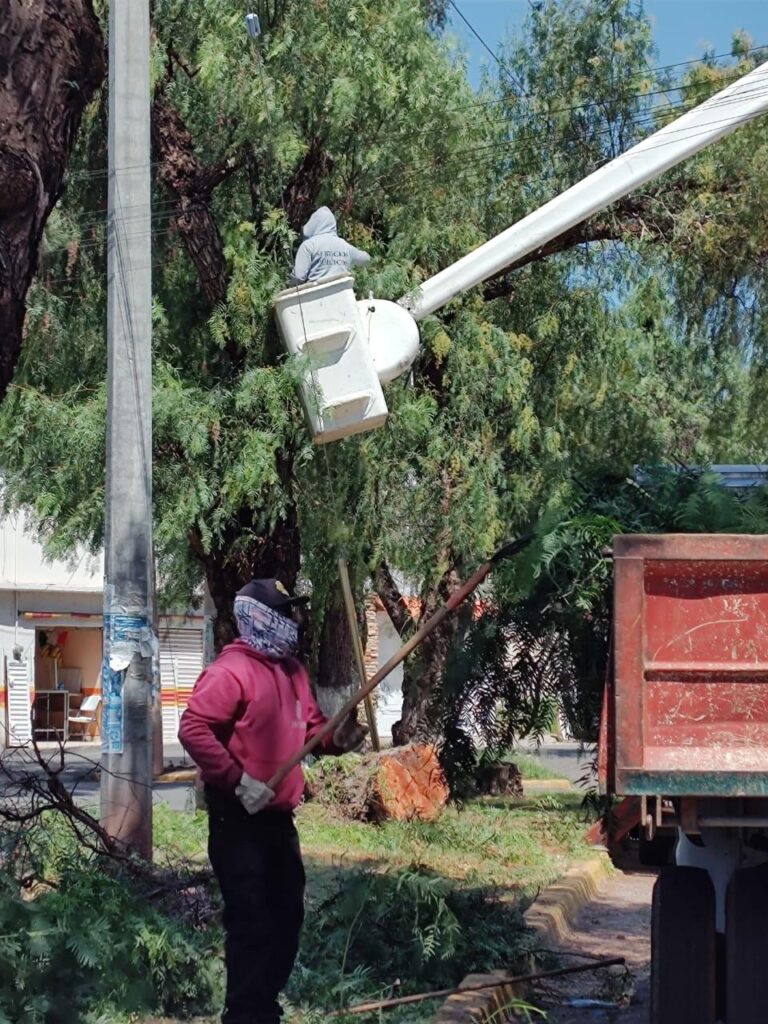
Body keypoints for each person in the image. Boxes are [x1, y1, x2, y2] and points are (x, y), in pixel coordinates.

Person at [178, 578, 367, 1024]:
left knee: (286, 918)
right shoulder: (231, 672)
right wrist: (236, 779)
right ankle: (245, 1015)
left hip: (279, 823)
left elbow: (313, 732)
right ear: (260, 617)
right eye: (286, 612)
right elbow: (193, 729)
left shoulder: (292, 672)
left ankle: (263, 1009)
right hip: (238, 821)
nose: (295, 620)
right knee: (252, 923)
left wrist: (337, 739)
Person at [289, 206, 370, 285]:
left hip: (315, 295)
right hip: (342, 293)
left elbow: (298, 278)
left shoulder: (308, 246)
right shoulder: (345, 246)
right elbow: (366, 259)